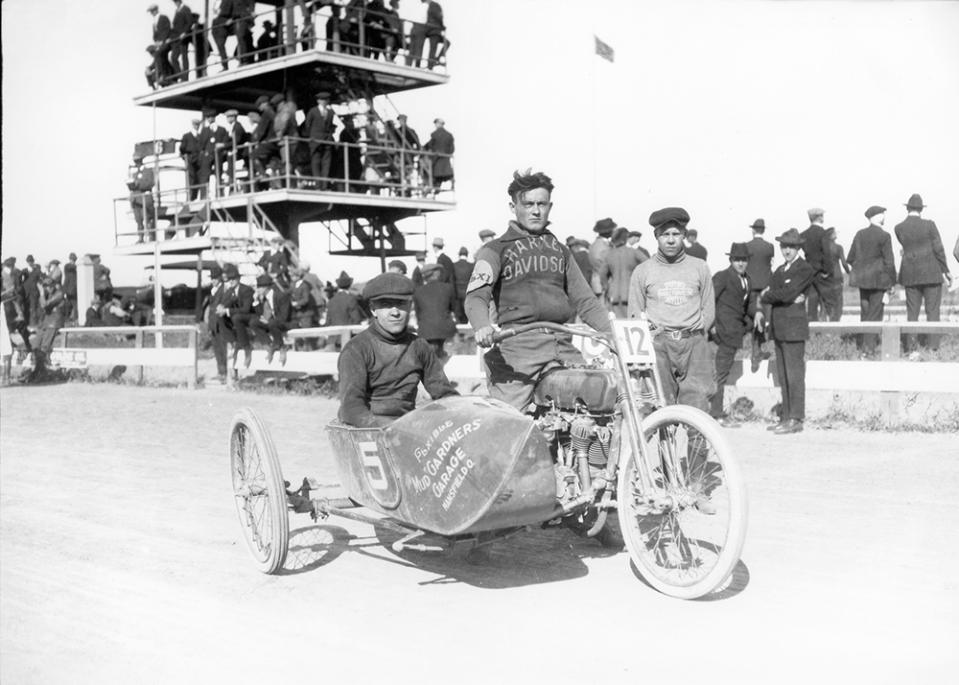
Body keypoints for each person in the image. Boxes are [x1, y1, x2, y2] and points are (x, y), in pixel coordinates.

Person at [465, 169, 611, 410]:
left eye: (541, 204)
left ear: (549, 206)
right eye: (528, 204)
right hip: (519, 348)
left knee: (597, 400)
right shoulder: (494, 250)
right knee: (509, 424)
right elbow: (476, 297)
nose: (535, 210)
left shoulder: (561, 250)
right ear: (513, 207)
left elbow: (586, 301)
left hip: (561, 344)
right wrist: (482, 325)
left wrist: (613, 332)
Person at [337, 272, 457, 427]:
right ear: (373, 310)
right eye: (386, 305)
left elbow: (444, 393)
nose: (395, 312)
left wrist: (464, 412)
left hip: (406, 426)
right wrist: (387, 429)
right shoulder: (357, 349)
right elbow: (351, 408)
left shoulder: (419, 346)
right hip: (367, 429)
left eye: (401, 304)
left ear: (410, 306)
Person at [628, 207, 715, 411]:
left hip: (693, 343)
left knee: (698, 407)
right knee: (659, 407)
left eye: (676, 234)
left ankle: (696, 443)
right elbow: (635, 315)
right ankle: (663, 444)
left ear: (684, 235)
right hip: (659, 346)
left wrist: (695, 334)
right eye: (665, 234)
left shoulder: (700, 267)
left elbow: (709, 309)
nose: (670, 240)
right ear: (656, 236)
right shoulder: (643, 271)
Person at [761, 228, 816, 435]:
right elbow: (773, 294)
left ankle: (796, 418)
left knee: (794, 375)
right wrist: (778, 295)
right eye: (784, 246)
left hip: (794, 330)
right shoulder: (780, 271)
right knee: (783, 376)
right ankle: (786, 417)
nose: (787, 250)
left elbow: (787, 293)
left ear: (798, 248)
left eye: (791, 247)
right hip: (779, 328)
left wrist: (774, 294)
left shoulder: (804, 269)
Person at [709, 243, 761, 426]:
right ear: (730, 260)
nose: (740, 263)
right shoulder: (723, 277)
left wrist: (758, 313)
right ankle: (716, 414)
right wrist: (711, 326)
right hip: (723, 331)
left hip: (734, 332)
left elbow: (750, 305)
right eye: (737, 260)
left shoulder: (748, 280)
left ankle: (715, 412)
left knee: (722, 372)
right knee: (720, 373)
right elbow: (708, 301)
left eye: (744, 260)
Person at [894, 193, 952, 355]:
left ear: (907, 208)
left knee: (912, 312)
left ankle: (911, 348)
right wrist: (946, 271)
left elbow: (905, 246)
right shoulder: (930, 225)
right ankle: (933, 348)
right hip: (931, 273)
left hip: (910, 275)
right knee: (933, 311)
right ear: (921, 209)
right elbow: (938, 249)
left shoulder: (899, 228)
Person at [847, 205, 896, 356]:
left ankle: (863, 346)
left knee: (865, 313)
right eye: (883, 214)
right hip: (878, 282)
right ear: (878, 217)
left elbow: (850, 258)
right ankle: (868, 350)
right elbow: (889, 262)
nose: (884, 217)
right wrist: (892, 283)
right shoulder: (884, 236)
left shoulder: (859, 234)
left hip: (863, 282)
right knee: (875, 315)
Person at [745, 218, 775, 371]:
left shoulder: (747, 246)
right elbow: (770, 264)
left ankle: (755, 352)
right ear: (763, 230)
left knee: (753, 319)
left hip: (750, 288)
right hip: (765, 288)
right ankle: (758, 351)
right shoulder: (769, 247)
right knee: (763, 319)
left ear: (753, 230)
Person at [413, 263, 458, 358]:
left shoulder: (417, 291)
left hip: (425, 332)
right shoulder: (448, 288)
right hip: (446, 331)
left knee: (429, 360)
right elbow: (454, 309)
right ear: (437, 274)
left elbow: (418, 315)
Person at [215, 262, 255, 369]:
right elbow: (225, 302)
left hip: (250, 317)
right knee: (220, 316)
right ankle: (232, 341)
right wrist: (221, 307)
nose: (231, 281)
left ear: (238, 279)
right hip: (237, 318)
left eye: (233, 279)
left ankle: (247, 348)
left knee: (236, 317)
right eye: (229, 279)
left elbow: (246, 309)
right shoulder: (231, 291)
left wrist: (227, 310)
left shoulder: (246, 290)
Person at [599, 227, 645, 318]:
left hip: (614, 293)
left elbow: (602, 274)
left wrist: (606, 287)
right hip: (631, 293)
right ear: (625, 239)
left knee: (619, 325)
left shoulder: (609, 255)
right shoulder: (634, 252)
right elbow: (648, 265)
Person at [250, 274, 292, 364]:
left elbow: (284, 316)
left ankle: (281, 347)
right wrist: (256, 301)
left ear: (266, 287)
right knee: (254, 323)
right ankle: (268, 345)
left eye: (259, 287)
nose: (257, 290)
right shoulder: (264, 299)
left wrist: (268, 321)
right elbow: (261, 315)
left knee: (272, 323)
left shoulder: (281, 295)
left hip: (285, 322)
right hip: (272, 323)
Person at [800, 207, 831, 322]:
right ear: (820, 217)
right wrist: (827, 271)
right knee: (826, 301)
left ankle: (812, 329)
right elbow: (827, 254)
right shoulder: (824, 234)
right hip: (821, 273)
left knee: (812, 302)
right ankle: (824, 330)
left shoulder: (803, 234)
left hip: (809, 272)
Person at [304, 92, 336, 189]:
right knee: (316, 162)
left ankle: (324, 185)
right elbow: (307, 125)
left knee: (326, 163)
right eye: (322, 100)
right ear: (318, 101)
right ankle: (318, 185)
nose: (324, 102)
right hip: (315, 141)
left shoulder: (330, 113)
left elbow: (331, 126)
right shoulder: (313, 111)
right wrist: (311, 137)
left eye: (326, 100)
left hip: (327, 141)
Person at [204, 265, 229, 380]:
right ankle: (221, 372)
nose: (213, 280)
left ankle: (226, 373)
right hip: (214, 324)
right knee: (217, 349)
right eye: (212, 278)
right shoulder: (213, 290)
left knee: (223, 349)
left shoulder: (224, 289)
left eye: (215, 278)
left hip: (222, 324)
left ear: (220, 278)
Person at [821, 227, 850, 321]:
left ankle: (825, 322)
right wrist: (849, 272)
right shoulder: (838, 247)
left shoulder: (823, 248)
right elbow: (844, 263)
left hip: (826, 277)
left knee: (826, 301)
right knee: (838, 302)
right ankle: (836, 322)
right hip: (837, 276)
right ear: (831, 235)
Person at [128, 156, 156, 242]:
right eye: (135, 162)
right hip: (136, 200)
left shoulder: (148, 171)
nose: (137, 164)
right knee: (138, 220)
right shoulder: (134, 174)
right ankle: (140, 237)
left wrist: (138, 184)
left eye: (138, 161)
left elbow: (150, 183)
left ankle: (151, 236)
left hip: (145, 200)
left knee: (148, 218)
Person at [422, 118, 454, 191]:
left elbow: (430, 145)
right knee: (445, 174)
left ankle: (430, 186)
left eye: (436, 124)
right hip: (446, 160)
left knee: (427, 167)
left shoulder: (435, 134)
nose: (435, 125)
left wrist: (423, 148)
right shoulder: (449, 135)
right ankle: (448, 185)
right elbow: (452, 149)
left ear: (439, 124)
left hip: (436, 159)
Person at [588, 217, 616, 297]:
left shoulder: (595, 244)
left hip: (599, 283)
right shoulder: (602, 247)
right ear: (608, 231)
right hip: (604, 284)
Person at [148, 4, 175, 86]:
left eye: (153, 11)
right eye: (151, 12)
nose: (152, 13)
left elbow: (167, 30)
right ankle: (169, 76)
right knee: (161, 57)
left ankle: (162, 75)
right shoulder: (154, 22)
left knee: (158, 54)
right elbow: (155, 35)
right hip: (160, 44)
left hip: (166, 42)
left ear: (156, 10)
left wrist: (162, 41)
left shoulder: (163, 17)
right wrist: (156, 41)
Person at [170, 0, 194, 82]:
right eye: (174, 2)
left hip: (184, 37)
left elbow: (189, 22)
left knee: (184, 56)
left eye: (176, 1)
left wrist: (185, 32)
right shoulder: (177, 10)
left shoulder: (185, 9)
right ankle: (180, 75)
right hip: (177, 38)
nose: (175, 3)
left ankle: (185, 77)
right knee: (174, 57)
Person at [180, 119, 203, 199]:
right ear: (192, 125)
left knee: (198, 178)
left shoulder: (201, 136)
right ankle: (190, 197)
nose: (196, 126)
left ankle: (195, 196)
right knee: (191, 178)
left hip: (199, 160)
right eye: (195, 125)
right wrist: (186, 157)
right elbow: (182, 149)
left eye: (198, 125)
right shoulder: (186, 136)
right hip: (190, 159)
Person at [451, 247, 472, 323]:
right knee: (466, 312)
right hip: (467, 292)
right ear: (467, 255)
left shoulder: (454, 265)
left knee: (458, 313)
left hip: (457, 292)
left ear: (459, 255)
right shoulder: (471, 266)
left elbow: (452, 280)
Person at [23, 255, 43, 329]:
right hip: (25, 292)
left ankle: (33, 324)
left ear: (33, 262)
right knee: (26, 308)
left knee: (34, 308)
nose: (30, 263)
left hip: (34, 292)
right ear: (27, 262)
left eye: (31, 261)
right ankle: (27, 324)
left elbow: (42, 279)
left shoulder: (37, 270)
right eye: (29, 261)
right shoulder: (24, 270)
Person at [63, 253, 78, 321]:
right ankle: (72, 318)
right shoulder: (68, 266)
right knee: (73, 305)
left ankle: (69, 318)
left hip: (70, 289)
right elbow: (71, 267)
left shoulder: (70, 267)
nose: (73, 261)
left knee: (70, 305)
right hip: (71, 289)